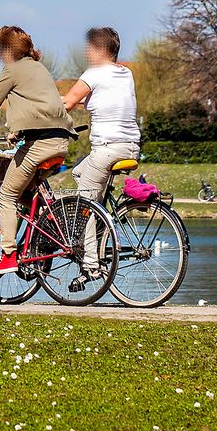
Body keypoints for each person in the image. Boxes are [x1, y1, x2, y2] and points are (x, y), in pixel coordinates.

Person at [0, 25, 76, 277]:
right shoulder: (38, 68)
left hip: (39, 144)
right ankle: (46, 226)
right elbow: (40, 106)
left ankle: (8, 255)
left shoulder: (12, 70)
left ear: (8, 49)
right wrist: (19, 131)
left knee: (6, 195)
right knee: (26, 195)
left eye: (0, 49)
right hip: (60, 140)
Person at [62, 26, 140, 273]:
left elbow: (68, 102)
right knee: (78, 173)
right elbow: (107, 99)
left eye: (89, 49)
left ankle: (91, 265)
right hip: (130, 147)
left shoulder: (94, 73)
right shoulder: (126, 73)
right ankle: (102, 220)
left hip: (107, 148)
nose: (86, 54)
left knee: (84, 206)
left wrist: (38, 114)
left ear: (98, 50)